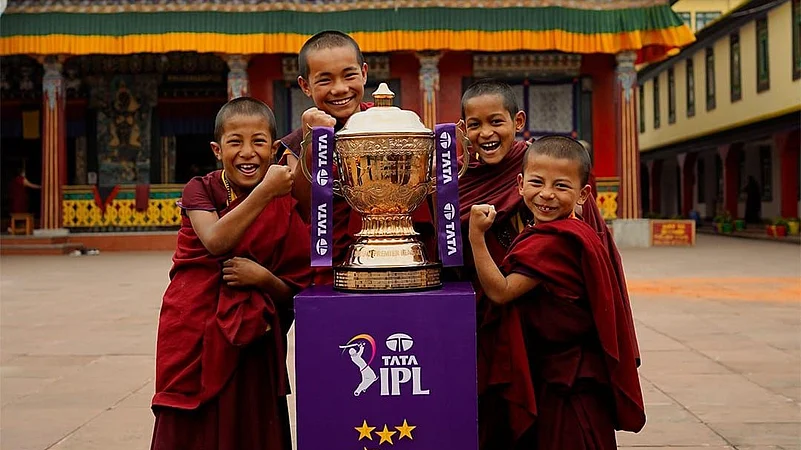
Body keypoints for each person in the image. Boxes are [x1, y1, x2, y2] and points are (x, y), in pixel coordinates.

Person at [151, 97, 312, 450]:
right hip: (195, 331)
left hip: (253, 339)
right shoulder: (201, 189)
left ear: (273, 149)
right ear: (216, 149)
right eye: (235, 142)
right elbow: (215, 240)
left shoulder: (285, 205)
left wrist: (264, 279)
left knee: (249, 422)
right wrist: (266, 191)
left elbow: (300, 291)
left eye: (259, 142)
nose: (247, 152)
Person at [468, 136, 645, 449]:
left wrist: (477, 238)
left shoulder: (556, 242)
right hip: (562, 373)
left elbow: (502, 291)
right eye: (537, 182)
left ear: (583, 194)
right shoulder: (570, 233)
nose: (546, 194)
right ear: (520, 184)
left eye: (561, 186)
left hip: (567, 379)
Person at [279, 30, 434, 283]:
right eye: (325, 80)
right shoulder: (297, 143)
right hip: (330, 266)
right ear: (305, 86)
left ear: (364, 73)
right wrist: (312, 141)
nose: (340, 89)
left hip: (401, 252)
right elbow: (304, 208)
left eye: (349, 75)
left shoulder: (390, 125)